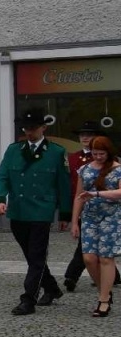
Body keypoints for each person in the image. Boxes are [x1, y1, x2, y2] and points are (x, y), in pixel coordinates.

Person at [0, 111, 72, 315]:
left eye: (33, 128)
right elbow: (2, 176)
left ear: (43, 128)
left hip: (41, 212)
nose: (28, 132)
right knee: (31, 256)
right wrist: (1, 199)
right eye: (26, 129)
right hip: (18, 210)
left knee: (36, 256)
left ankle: (28, 299)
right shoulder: (13, 150)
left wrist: (65, 213)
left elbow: (64, 185)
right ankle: (53, 288)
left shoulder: (56, 152)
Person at [72, 135, 121, 318]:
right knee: (89, 259)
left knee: (106, 259)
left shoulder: (118, 170)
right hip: (90, 218)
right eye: (95, 153)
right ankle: (105, 291)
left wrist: (97, 194)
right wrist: (75, 222)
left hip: (112, 218)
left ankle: (103, 300)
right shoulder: (84, 169)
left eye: (101, 153)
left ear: (109, 152)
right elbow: (79, 197)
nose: (98, 156)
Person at [64, 121, 100, 292]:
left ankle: (71, 275)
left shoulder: (102, 157)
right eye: (82, 134)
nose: (85, 137)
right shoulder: (72, 158)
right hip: (78, 205)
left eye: (89, 134)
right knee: (89, 244)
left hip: (99, 206)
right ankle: (114, 275)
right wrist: (66, 213)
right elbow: (67, 185)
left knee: (86, 244)